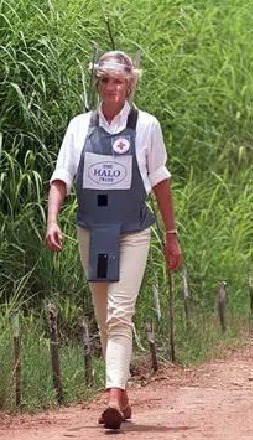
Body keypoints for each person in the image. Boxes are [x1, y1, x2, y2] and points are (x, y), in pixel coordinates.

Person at [45, 50, 182, 429]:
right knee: (105, 316)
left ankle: (110, 396)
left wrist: (171, 235)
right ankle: (121, 393)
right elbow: (61, 177)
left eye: (118, 81)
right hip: (93, 232)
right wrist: (52, 219)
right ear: (98, 84)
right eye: (105, 80)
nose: (111, 88)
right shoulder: (79, 127)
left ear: (130, 85)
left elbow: (160, 182)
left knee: (121, 312)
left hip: (133, 233)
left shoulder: (147, 126)